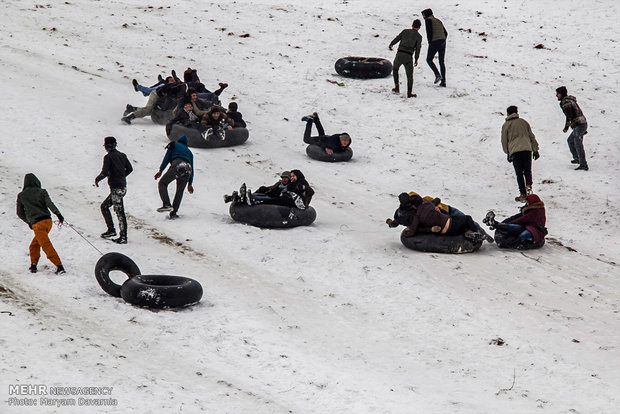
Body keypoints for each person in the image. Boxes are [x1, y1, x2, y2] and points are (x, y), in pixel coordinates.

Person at [16, 173, 66, 274]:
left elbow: (19, 213)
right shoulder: (42, 192)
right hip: (48, 222)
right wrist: (58, 214)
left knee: (45, 245)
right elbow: (50, 204)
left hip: (37, 224)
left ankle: (59, 266)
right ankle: (33, 265)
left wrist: (28, 221)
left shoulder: (22, 196)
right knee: (34, 245)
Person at [402, 195, 493, 242]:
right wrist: (432, 205)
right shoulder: (428, 204)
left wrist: (406, 233)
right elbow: (437, 199)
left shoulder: (416, 217)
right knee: (467, 219)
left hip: (445, 231)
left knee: (461, 224)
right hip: (450, 223)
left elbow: (413, 230)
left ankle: (469, 233)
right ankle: (476, 233)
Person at [94, 136, 133, 244]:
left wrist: (97, 179)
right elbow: (130, 169)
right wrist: (122, 176)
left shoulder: (108, 157)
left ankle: (122, 236)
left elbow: (105, 172)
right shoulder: (122, 155)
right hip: (123, 187)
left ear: (106, 146)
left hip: (116, 188)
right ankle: (111, 230)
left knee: (119, 212)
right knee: (105, 206)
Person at [501, 105, 540, 202]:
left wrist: (507, 152)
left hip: (515, 151)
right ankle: (529, 186)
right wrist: (535, 149)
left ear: (508, 113)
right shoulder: (524, 122)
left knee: (519, 173)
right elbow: (531, 136)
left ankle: (523, 194)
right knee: (527, 170)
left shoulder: (506, 125)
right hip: (527, 149)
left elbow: (504, 140)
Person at [154, 135, 194, 219]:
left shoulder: (174, 144)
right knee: (180, 191)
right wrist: (190, 183)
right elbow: (192, 167)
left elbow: (167, 158)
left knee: (162, 183)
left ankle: (166, 204)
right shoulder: (189, 152)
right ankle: (173, 213)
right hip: (188, 169)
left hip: (178, 165)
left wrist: (160, 170)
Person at [556, 86, 589, 170]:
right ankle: (577, 158)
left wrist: (566, 127)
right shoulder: (569, 100)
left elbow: (569, 116)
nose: (556, 95)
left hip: (579, 124)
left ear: (561, 94)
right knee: (570, 141)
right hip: (581, 124)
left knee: (578, 143)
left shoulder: (566, 102)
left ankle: (583, 164)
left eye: (558, 94)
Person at [389, 19, 422, 98]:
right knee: (409, 76)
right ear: (419, 27)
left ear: (412, 25)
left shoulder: (405, 31)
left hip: (399, 54)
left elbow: (397, 38)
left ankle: (396, 87)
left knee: (395, 69)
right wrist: (416, 59)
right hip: (408, 56)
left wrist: (391, 44)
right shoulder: (419, 37)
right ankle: (409, 93)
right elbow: (418, 49)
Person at [421, 8, 448, 87]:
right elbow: (446, 33)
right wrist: (443, 40)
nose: (423, 17)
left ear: (426, 14)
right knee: (441, 61)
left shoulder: (428, 20)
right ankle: (444, 81)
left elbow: (429, 32)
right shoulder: (438, 20)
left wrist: (430, 42)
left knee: (429, 59)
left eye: (423, 15)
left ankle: (437, 74)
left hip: (435, 41)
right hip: (443, 41)